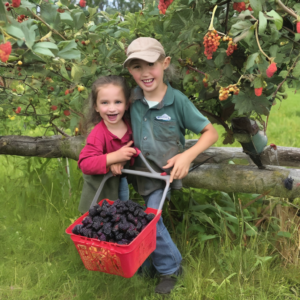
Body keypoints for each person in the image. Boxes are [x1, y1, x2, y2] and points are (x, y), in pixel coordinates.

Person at [123, 37, 219, 294]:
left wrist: (187, 156)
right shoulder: (131, 99)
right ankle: (144, 263)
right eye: (136, 67)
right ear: (130, 70)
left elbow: (210, 133)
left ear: (164, 64)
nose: (145, 73)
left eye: (151, 65)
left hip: (163, 175)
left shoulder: (177, 101)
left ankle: (170, 269)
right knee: (135, 217)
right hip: (136, 173)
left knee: (150, 218)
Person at [77, 76, 139, 213]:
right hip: (99, 189)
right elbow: (85, 163)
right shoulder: (97, 134)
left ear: (127, 104)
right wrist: (114, 157)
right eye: (105, 103)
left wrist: (121, 161)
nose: (112, 108)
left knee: (120, 217)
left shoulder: (131, 127)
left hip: (120, 183)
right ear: (96, 107)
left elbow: (137, 149)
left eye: (118, 102)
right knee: (100, 221)